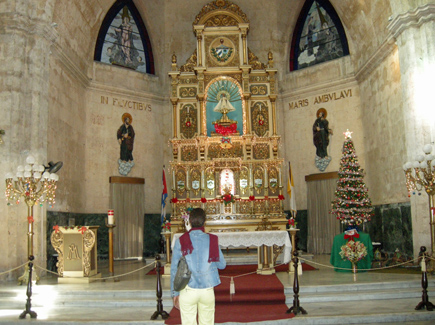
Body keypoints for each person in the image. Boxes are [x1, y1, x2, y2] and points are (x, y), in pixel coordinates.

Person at [170, 208, 226, 325]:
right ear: (204, 222)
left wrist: (175, 293)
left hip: (187, 288)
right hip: (207, 289)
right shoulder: (212, 239)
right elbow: (222, 265)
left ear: (189, 221)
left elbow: (174, 268)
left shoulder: (181, 240)